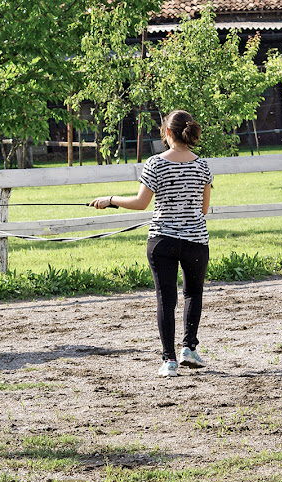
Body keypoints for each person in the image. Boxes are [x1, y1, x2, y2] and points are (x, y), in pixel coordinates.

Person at [90, 110, 212, 378]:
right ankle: (189, 349)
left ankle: (169, 360)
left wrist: (109, 199)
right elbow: (203, 209)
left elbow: (140, 203)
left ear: (167, 132)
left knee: (165, 298)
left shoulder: (155, 163)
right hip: (195, 242)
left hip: (162, 242)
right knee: (193, 294)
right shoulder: (202, 166)